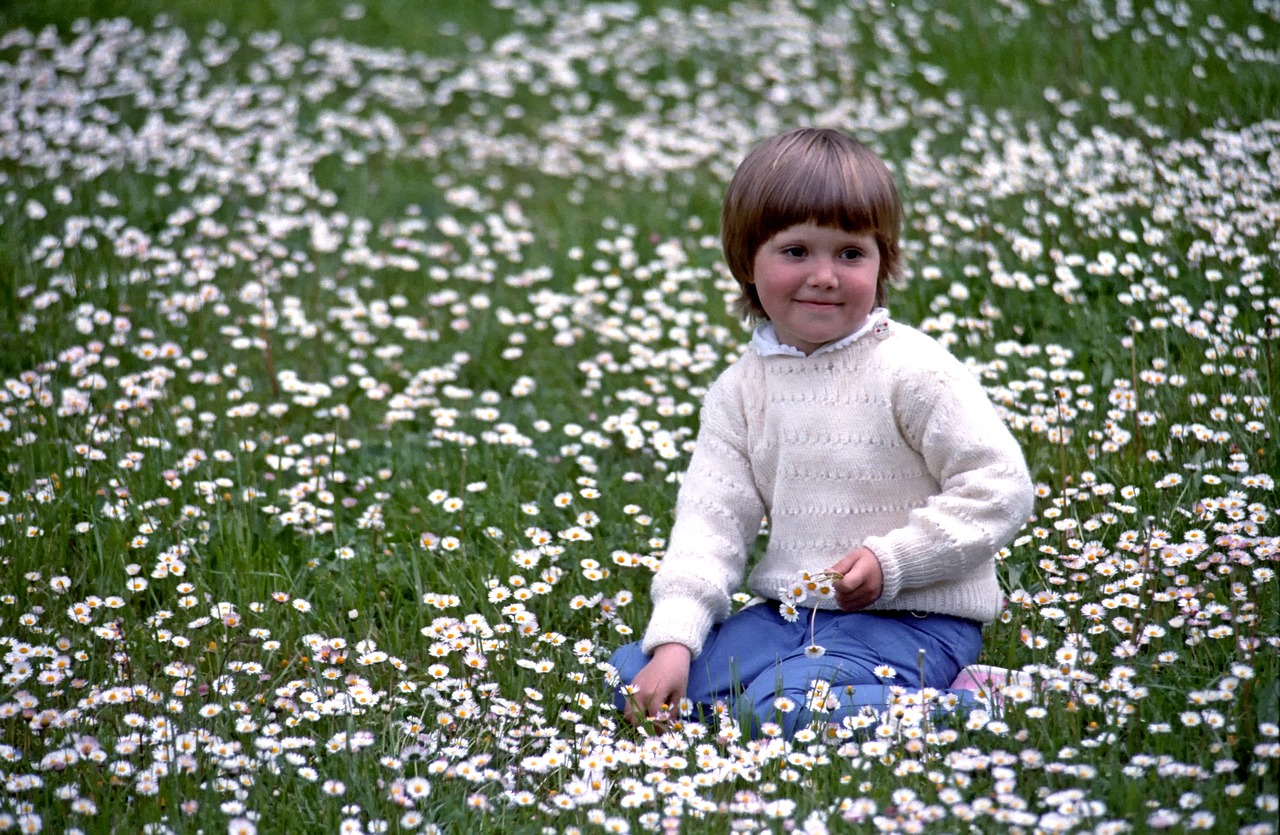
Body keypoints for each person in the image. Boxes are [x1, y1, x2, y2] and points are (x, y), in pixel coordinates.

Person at [608, 127, 1034, 737]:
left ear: (883, 260)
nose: (826, 276)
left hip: (914, 619)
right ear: (745, 261)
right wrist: (676, 638)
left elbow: (1000, 486)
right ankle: (765, 699)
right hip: (791, 618)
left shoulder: (914, 370)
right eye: (796, 251)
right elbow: (711, 524)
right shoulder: (741, 391)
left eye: (850, 253)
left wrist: (894, 561)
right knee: (636, 675)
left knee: (786, 709)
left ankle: (979, 703)